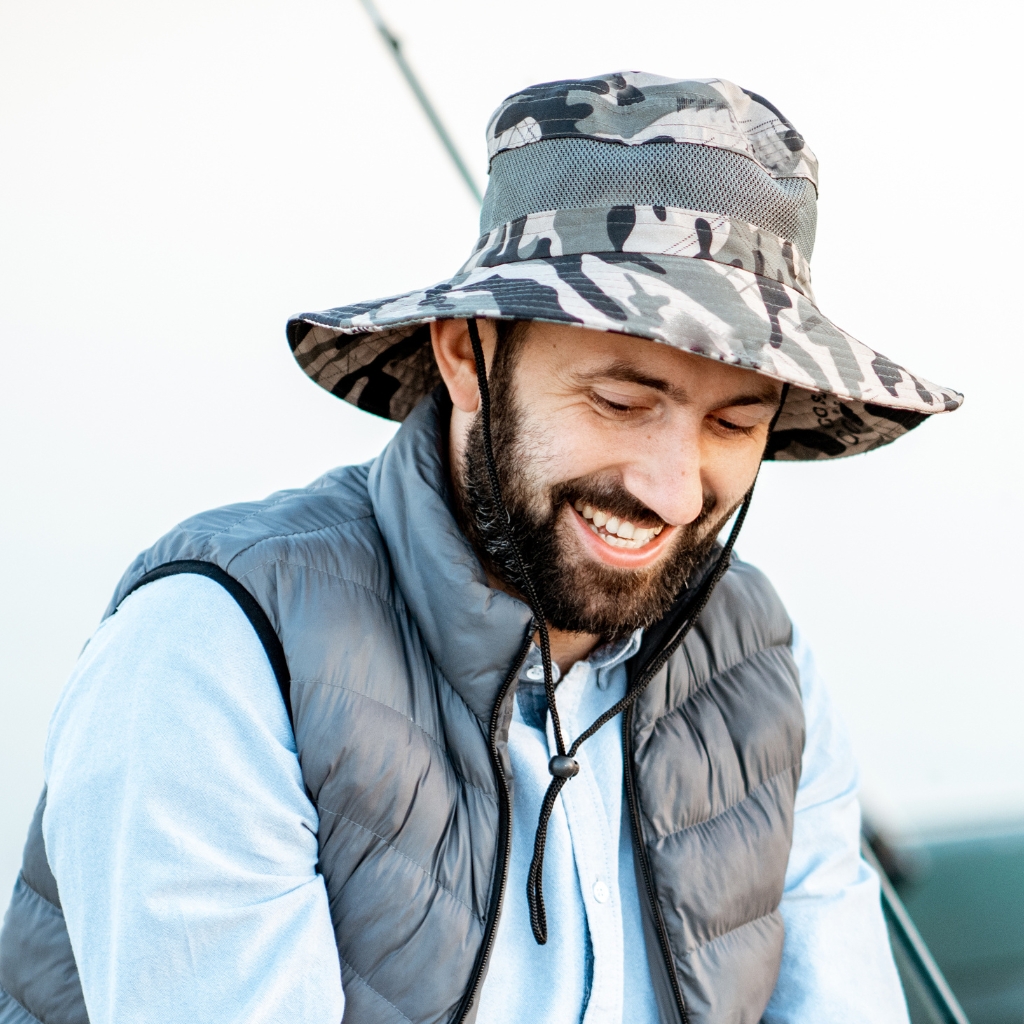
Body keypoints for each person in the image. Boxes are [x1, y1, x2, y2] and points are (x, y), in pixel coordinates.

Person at [0, 72, 962, 1024]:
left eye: (734, 425)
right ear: (466, 353)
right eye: (620, 402)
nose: (672, 490)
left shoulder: (765, 664)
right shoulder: (214, 652)